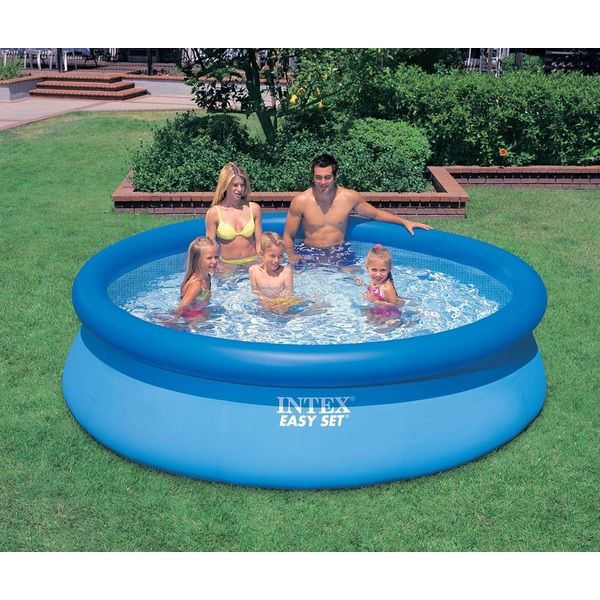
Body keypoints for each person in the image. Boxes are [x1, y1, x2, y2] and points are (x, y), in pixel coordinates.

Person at [283, 153, 432, 265]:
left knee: (355, 280)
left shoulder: (349, 197)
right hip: (309, 250)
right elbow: (289, 235)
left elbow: (376, 214)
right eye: (318, 177)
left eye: (327, 177)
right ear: (313, 177)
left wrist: (404, 221)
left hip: (339, 250)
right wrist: (290, 255)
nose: (323, 182)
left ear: (335, 176)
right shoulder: (301, 201)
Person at [205, 162, 263, 267]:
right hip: (227, 266)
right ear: (225, 185)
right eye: (235, 185)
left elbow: (259, 243)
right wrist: (217, 267)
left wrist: (262, 263)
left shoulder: (254, 209)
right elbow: (210, 248)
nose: (239, 189)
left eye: (242, 185)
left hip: (252, 262)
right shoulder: (213, 213)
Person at [248, 232, 300, 313]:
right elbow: (255, 292)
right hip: (264, 306)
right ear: (261, 254)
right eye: (272, 256)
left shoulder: (286, 272)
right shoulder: (254, 270)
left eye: (280, 256)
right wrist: (267, 302)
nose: (276, 260)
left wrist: (276, 303)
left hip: (283, 306)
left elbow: (288, 292)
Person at [173, 236, 219, 323]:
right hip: (191, 318)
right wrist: (171, 321)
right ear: (197, 260)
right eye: (209, 258)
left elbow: (205, 300)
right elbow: (181, 308)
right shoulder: (197, 284)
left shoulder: (207, 277)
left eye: (216, 257)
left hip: (200, 314)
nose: (214, 261)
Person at [356, 243, 405, 324]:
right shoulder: (373, 280)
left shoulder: (387, 287)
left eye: (383, 270)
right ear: (367, 268)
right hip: (377, 311)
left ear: (389, 269)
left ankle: (404, 324)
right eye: (374, 270)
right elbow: (372, 289)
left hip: (389, 315)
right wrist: (363, 284)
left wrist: (375, 301)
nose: (378, 274)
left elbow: (395, 305)